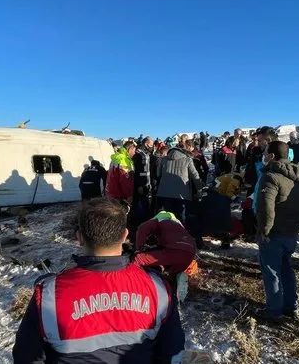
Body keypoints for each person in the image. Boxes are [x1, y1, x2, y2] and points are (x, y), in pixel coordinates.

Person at [13, 198, 184, 364]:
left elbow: (26, 357)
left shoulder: (48, 295)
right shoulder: (158, 289)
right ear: (125, 235)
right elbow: (172, 353)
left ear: (79, 237)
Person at [255, 141, 299, 322]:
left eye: (265, 153)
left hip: (274, 233)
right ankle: (291, 305)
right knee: (287, 268)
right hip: (292, 231)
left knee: (272, 272)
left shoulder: (271, 177)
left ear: (271, 156)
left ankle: (275, 311)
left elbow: (266, 208)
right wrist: (298, 223)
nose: (263, 156)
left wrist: (264, 231)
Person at [135, 211, 197, 276]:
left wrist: (139, 249)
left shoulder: (158, 221)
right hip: (190, 255)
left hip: (176, 250)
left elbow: (141, 229)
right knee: (169, 278)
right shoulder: (177, 226)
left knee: (137, 260)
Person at [155, 140, 203, 222]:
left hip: (165, 192)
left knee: (168, 217)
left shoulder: (164, 159)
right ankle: (181, 233)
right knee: (181, 217)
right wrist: (199, 188)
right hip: (182, 194)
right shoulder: (187, 160)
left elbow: (158, 174)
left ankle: (169, 233)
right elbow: (195, 175)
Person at [131, 138, 155, 232]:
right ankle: (139, 227)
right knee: (141, 206)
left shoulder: (145, 154)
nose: (152, 147)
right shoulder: (139, 155)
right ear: (146, 144)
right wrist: (140, 185)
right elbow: (137, 172)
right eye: (151, 145)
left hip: (145, 184)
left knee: (144, 206)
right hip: (141, 185)